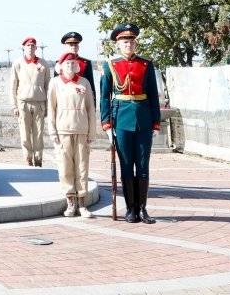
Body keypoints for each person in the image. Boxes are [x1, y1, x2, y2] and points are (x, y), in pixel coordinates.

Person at [99, 23, 162, 224]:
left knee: (143, 166)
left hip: (143, 120)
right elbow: (104, 97)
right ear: (118, 44)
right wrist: (107, 124)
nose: (129, 45)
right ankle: (130, 209)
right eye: (125, 42)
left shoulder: (146, 65)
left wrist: (155, 123)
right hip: (121, 120)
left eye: (132, 41)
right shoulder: (110, 65)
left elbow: (153, 95)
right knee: (126, 166)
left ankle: (143, 209)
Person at [48, 52, 97, 218]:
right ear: (61, 66)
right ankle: (70, 202)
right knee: (65, 167)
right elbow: (51, 108)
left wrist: (92, 131)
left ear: (77, 66)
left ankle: (82, 203)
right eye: (66, 63)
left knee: (82, 167)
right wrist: (52, 131)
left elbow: (91, 109)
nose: (70, 66)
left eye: (72, 63)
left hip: (82, 130)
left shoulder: (84, 82)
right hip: (63, 130)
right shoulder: (55, 83)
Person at [10, 36, 50, 166]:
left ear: (36, 48)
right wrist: (14, 105)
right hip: (23, 103)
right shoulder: (18, 63)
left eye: (33, 46)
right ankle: (28, 159)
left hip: (39, 103)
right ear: (24, 48)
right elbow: (13, 86)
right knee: (25, 134)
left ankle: (38, 160)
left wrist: (48, 106)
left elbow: (48, 85)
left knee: (38, 134)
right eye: (28, 46)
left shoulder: (43, 63)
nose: (30, 48)